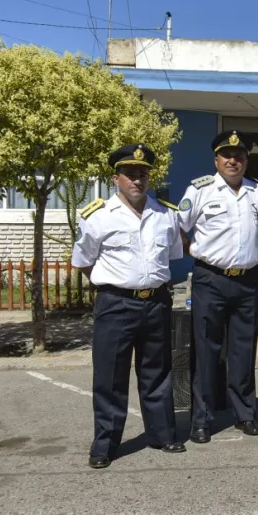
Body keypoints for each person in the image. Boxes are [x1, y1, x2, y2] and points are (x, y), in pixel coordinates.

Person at [72, 144, 186, 469]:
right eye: (130, 174)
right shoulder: (97, 216)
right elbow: (83, 262)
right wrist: (111, 286)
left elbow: (172, 256)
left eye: (143, 173)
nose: (137, 179)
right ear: (115, 178)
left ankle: (162, 434)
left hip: (156, 303)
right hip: (116, 304)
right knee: (110, 376)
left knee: (158, 372)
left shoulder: (166, 214)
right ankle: (105, 445)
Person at [178, 130, 258, 443]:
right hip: (210, 280)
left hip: (247, 282)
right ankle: (202, 419)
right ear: (216, 159)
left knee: (243, 350)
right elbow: (180, 230)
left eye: (239, 156)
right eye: (227, 155)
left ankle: (245, 413)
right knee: (206, 351)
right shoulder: (199, 191)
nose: (232, 160)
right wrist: (198, 253)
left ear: (246, 160)